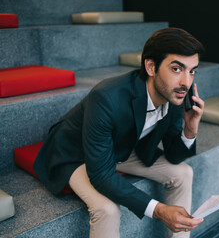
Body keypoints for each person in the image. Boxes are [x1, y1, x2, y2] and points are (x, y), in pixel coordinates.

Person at [33, 27, 205, 238]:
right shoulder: (106, 97)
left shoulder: (175, 95)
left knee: (183, 173)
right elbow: (101, 175)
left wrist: (190, 128)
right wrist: (159, 210)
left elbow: (174, 156)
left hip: (122, 146)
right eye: (177, 69)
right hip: (75, 153)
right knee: (108, 209)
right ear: (151, 67)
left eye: (192, 71)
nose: (186, 82)